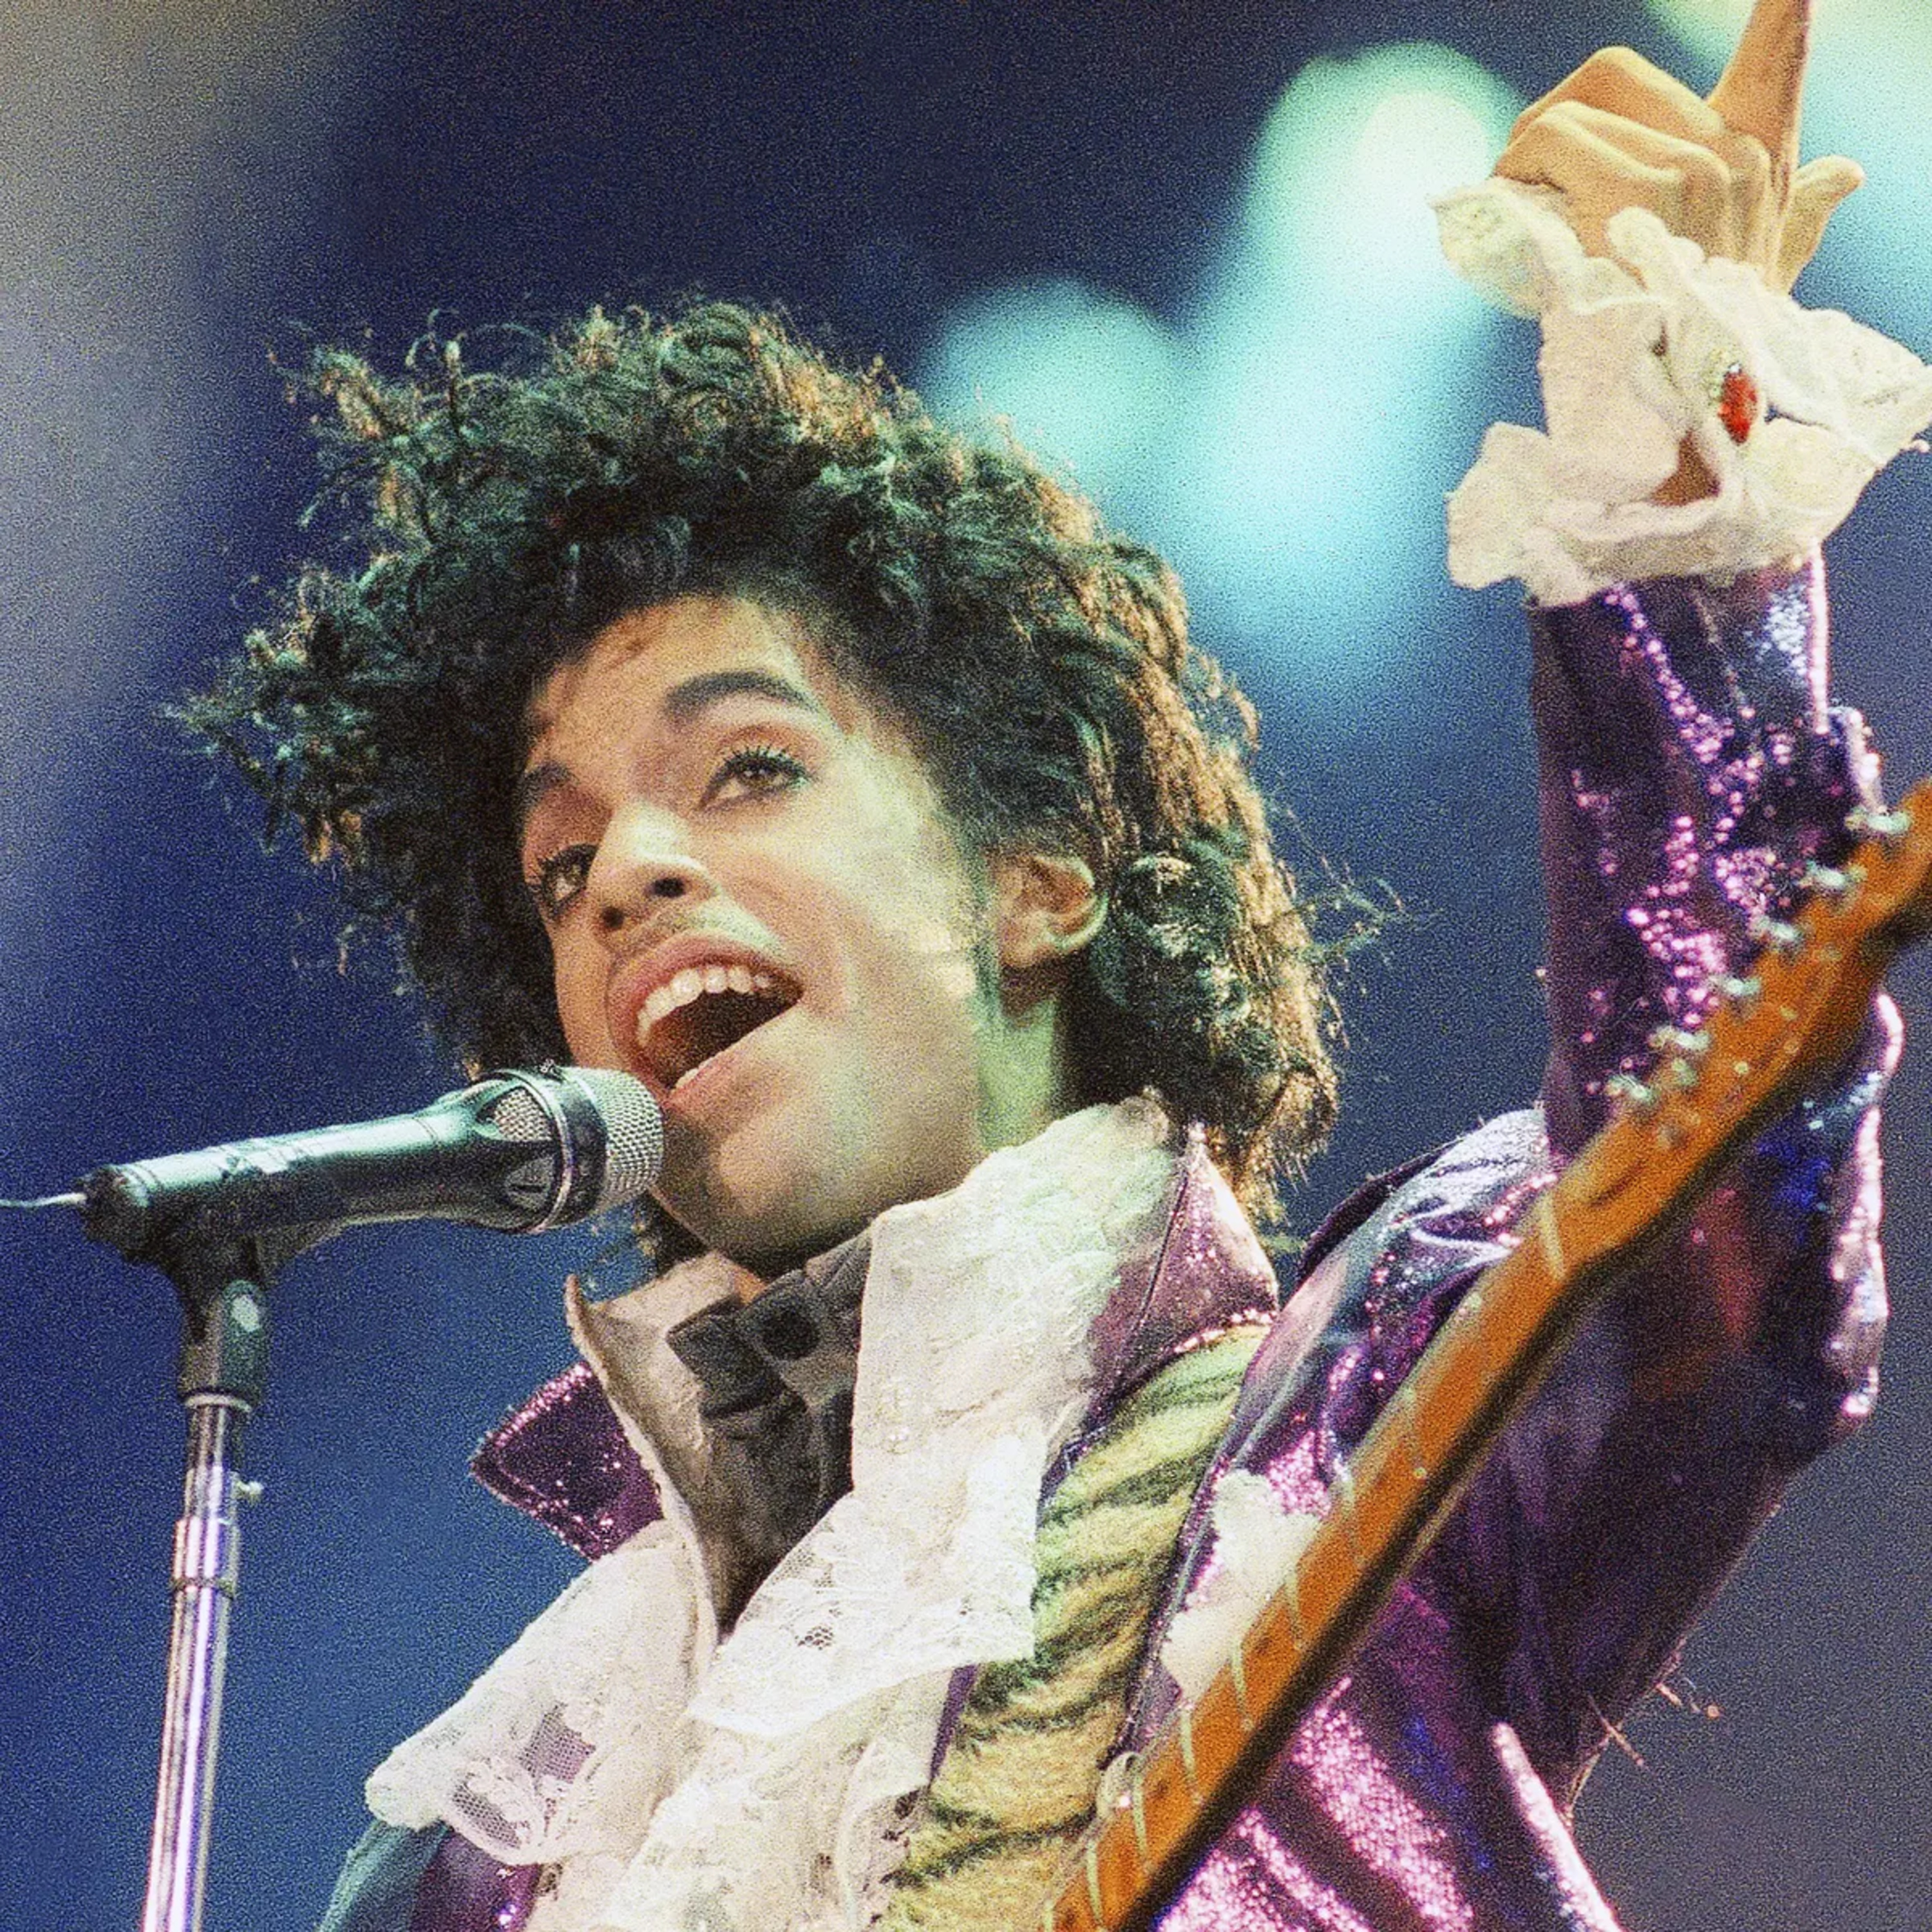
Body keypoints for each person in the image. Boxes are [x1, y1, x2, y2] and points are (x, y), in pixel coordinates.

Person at [185, 3, 1932, 1926]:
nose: (628, 878)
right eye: (561, 862)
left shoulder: (1353, 1408)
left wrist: (1672, 484)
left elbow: (1710, 1212)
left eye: (748, 768)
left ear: (1039, 880)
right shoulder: (500, 1832)